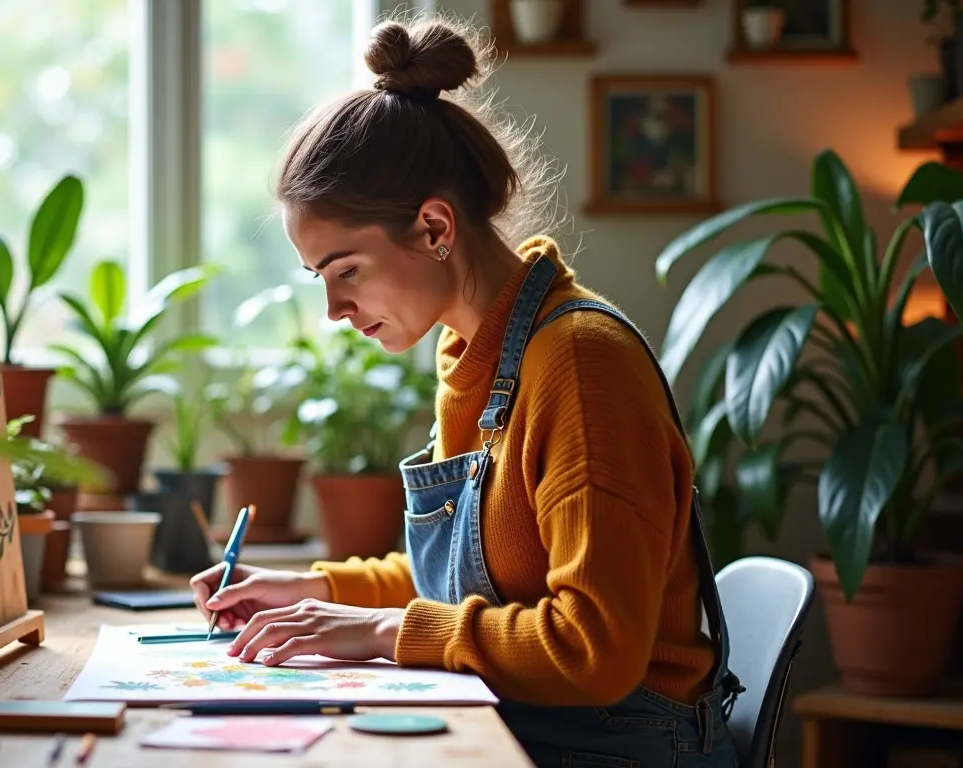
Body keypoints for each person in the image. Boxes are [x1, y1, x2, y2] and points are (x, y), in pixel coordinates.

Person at [189, 14, 742, 767]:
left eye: (346, 270)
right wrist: (312, 588)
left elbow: (595, 650)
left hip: (621, 746)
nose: (334, 311)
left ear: (434, 228)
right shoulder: (473, 353)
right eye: (319, 278)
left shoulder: (580, 368)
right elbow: (461, 585)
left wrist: (382, 632)